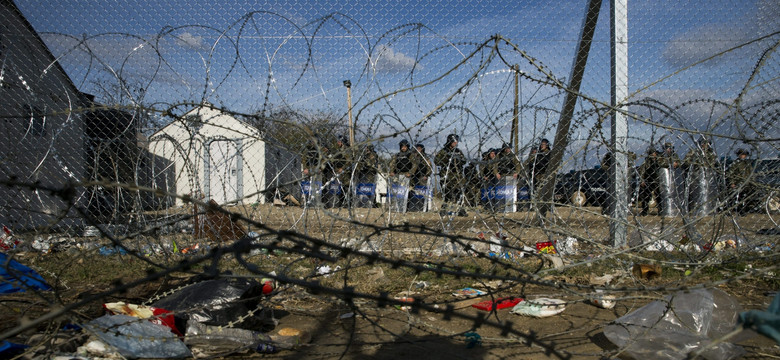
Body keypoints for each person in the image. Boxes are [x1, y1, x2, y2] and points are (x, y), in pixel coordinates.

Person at [434, 134, 467, 215]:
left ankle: (461, 209)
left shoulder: (458, 151)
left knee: (459, 193)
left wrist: (459, 161)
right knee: (446, 193)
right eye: (455, 142)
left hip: (457, 175)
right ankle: (444, 209)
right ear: (450, 141)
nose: (456, 143)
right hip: (447, 175)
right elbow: (436, 161)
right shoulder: (443, 151)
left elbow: (464, 160)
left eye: (456, 142)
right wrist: (447, 160)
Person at [726, 148, 754, 215]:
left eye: (744, 155)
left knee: (747, 197)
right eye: (741, 155)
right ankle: (739, 211)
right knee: (739, 197)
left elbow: (751, 173)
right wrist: (732, 183)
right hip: (738, 182)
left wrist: (752, 182)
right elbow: (730, 174)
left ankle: (745, 209)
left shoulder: (747, 163)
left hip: (747, 183)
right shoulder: (735, 163)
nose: (742, 156)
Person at [638, 147, 660, 215]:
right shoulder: (647, 161)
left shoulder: (659, 160)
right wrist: (642, 180)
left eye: (654, 153)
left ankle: (661, 210)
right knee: (646, 196)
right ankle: (645, 211)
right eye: (651, 153)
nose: (653, 155)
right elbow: (642, 171)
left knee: (659, 196)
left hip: (658, 180)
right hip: (649, 180)